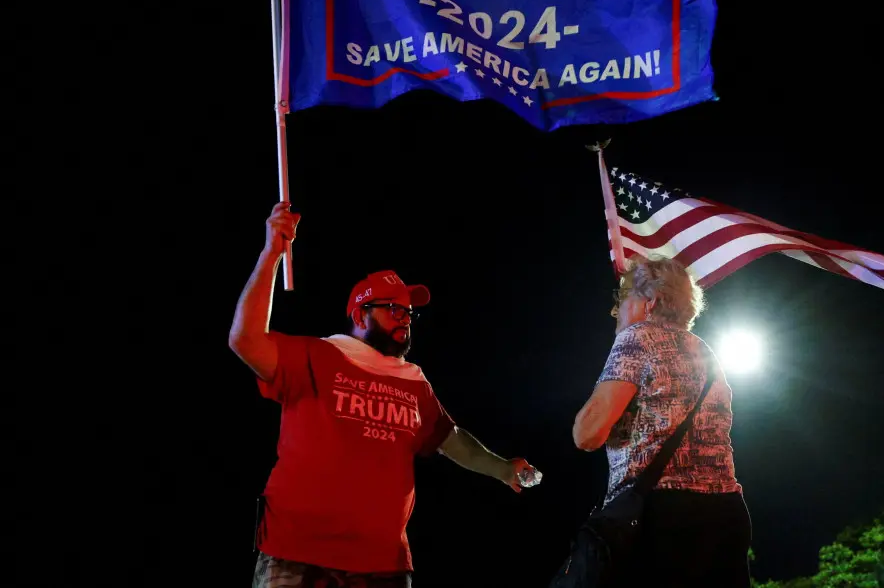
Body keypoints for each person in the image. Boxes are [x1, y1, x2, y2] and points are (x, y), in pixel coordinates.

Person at [230, 201, 538, 587]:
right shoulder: (318, 354)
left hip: (382, 566)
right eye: (393, 309)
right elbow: (244, 340)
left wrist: (504, 468)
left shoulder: (414, 382)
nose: (405, 319)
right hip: (297, 554)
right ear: (360, 316)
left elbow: (452, 441)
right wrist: (272, 253)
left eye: (409, 312)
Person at [571, 255, 752, 588]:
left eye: (622, 301)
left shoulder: (637, 338)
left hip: (661, 518)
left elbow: (588, 434)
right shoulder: (707, 353)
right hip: (726, 515)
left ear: (649, 303)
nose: (616, 314)